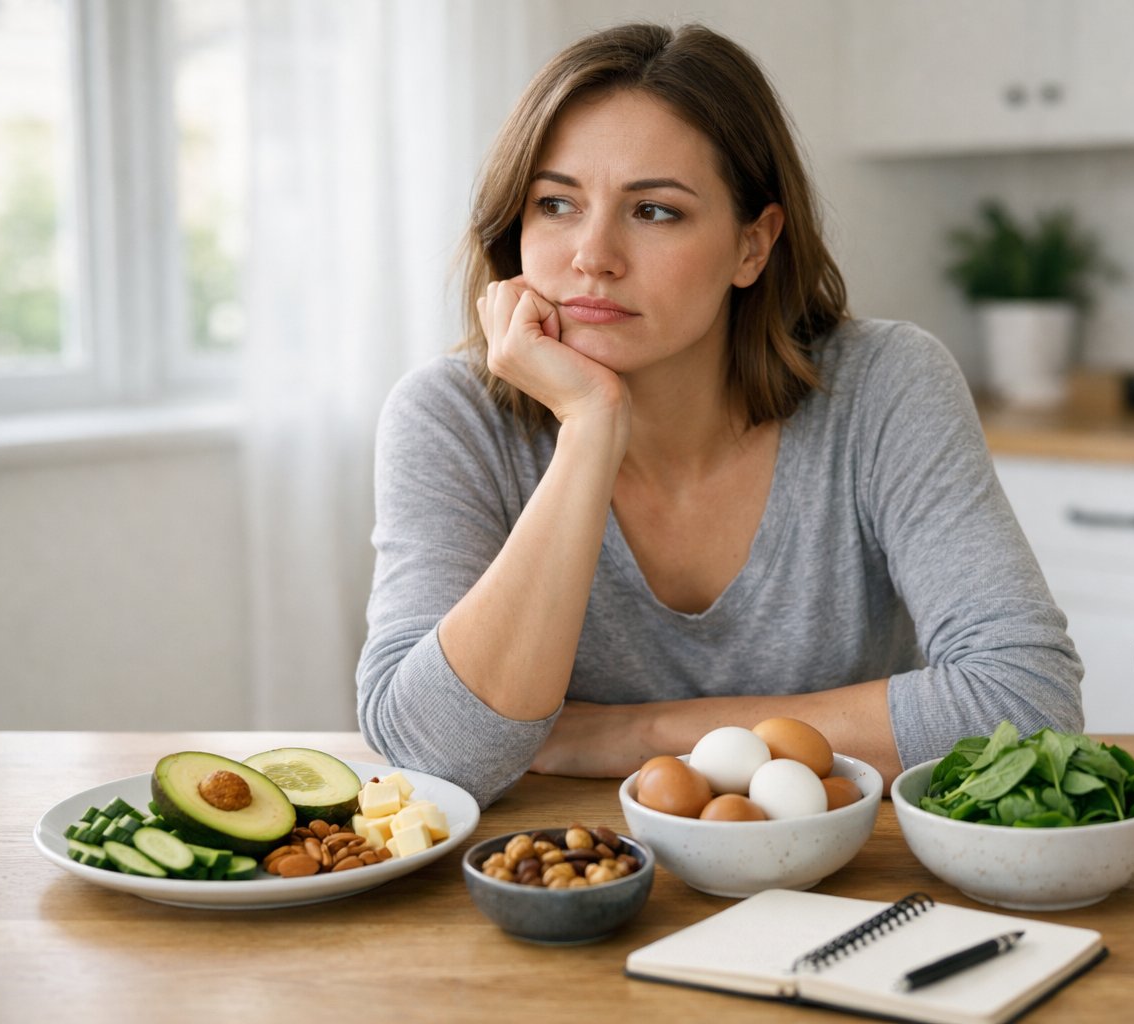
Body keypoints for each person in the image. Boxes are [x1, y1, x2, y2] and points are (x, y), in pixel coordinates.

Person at [356, 22, 1082, 808]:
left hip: (846, 875)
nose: (592, 254)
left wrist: (640, 734)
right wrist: (590, 427)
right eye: (556, 203)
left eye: (655, 212)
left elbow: (1027, 705)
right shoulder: (449, 417)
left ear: (753, 246)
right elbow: (430, 751)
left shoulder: (885, 387)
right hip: (572, 883)